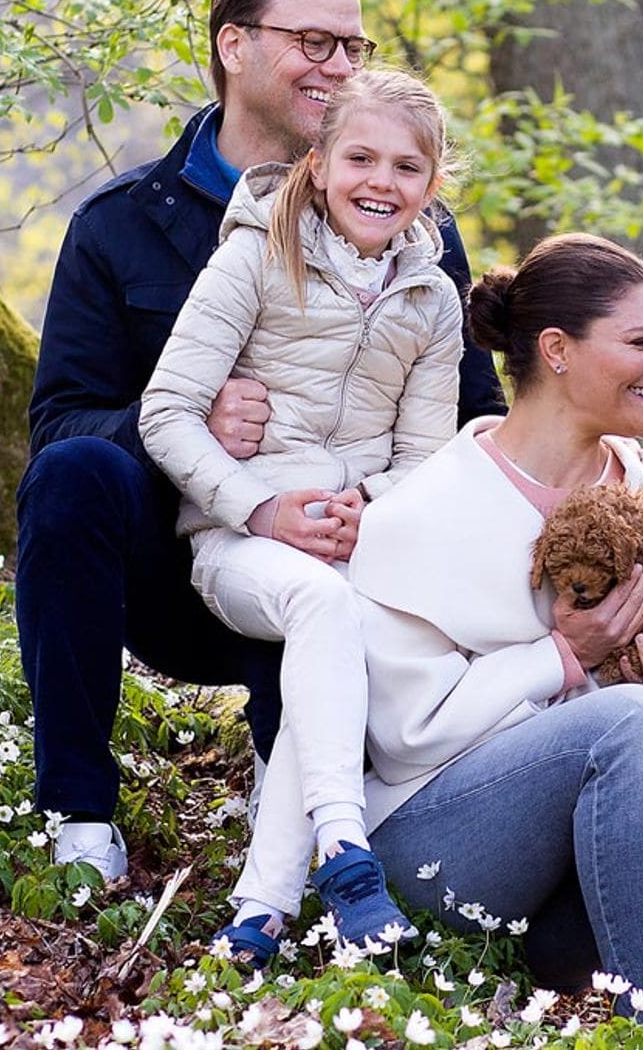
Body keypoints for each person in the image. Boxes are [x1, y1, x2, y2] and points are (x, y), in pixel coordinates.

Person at [16, 0, 504, 880]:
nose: (335, 66)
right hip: (178, 560)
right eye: (310, 42)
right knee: (73, 474)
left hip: (344, 553)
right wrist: (201, 430)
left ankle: (305, 787)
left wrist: (598, 460)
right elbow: (59, 423)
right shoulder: (123, 225)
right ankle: (80, 814)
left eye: (352, 46)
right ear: (233, 46)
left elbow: (475, 420)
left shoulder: (417, 244)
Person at [307, 233, 643, 1030]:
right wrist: (565, 658)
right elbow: (405, 738)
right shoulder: (424, 511)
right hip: (442, 852)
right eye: (642, 341)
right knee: (626, 722)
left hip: (583, 887)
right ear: (557, 351)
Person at [140, 67, 463, 957]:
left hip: (355, 548)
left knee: (342, 635)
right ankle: (347, 853)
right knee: (324, 608)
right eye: (360, 157)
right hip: (241, 548)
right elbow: (165, 412)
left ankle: (258, 913)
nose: (380, 182)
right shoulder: (253, 253)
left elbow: (425, 456)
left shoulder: (432, 301)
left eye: (406, 168)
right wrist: (261, 509)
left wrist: (375, 507)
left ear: (431, 187)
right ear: (317, 165)